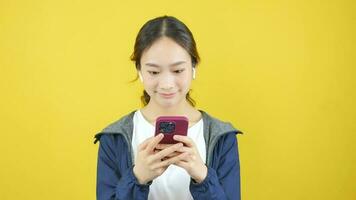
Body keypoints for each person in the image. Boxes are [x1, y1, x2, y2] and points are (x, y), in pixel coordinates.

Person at [94, 15, 243, 200]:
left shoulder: (222, 137)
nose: (166, 84)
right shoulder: (113, 139)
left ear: (193, 67)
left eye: (178, 70)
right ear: (139, 71)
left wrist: (203, 177)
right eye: (154, 72)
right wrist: (137, 178)